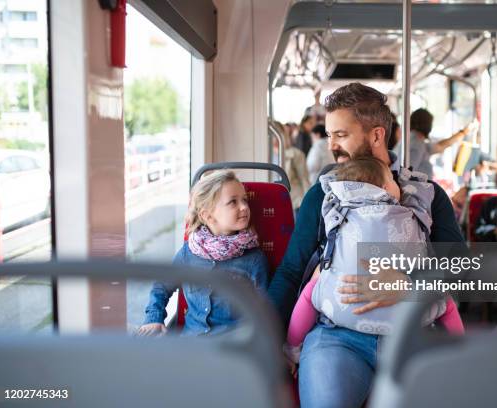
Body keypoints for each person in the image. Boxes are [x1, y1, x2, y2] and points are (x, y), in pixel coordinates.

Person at [268, 82, 465, 408]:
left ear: (376, 136)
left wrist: (410, 285)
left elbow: (460, 267)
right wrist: (265, 338)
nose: (331, 146)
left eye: (341, 135)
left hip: (412, 336)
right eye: (329, 135)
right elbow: (292, 271)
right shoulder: (323, 194)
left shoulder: (427, 194)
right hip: (338, 337)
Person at [285, 157, 463, 364]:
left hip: (345, 308)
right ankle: (460, 349)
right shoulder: (412, 211)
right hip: (408, 317)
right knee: (445, 302)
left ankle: (292, 348)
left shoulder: (337, 208)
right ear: (386, 186)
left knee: (311, 292)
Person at [138, 170, 269, 336]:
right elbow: (161, 286)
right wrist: (154, 318)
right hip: (193, 343)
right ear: (207, 215)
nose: (244, 207)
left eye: (244, 200)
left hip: (234, 346)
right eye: (233, 202)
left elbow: (263, 311)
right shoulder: (188, 253)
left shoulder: (254, 259)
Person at [395, 108, 476, 178]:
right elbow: (405, 175)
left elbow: (440, 145)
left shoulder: (412, 140)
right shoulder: (416, 144)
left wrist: (463, 132)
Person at [273, 122, 311, 213]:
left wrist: (308, 204)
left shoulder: (296, 154)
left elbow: (304, 180)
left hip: (295, 203)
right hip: (274, 202)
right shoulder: (265, 155)